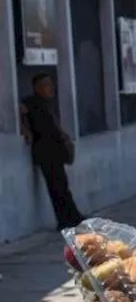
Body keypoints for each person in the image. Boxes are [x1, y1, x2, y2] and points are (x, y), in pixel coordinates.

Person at [19, 74, 84, 230]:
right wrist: (25, 130)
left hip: (55, 151)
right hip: (45, 152)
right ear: (37, 87)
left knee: (62, 186)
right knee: (56, 187)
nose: (50, 88)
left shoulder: (47, 104)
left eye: (50, 84)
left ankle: (73, 216)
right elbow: (23, 118)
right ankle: (64, 220)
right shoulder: (31, 103)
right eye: (46, 85)